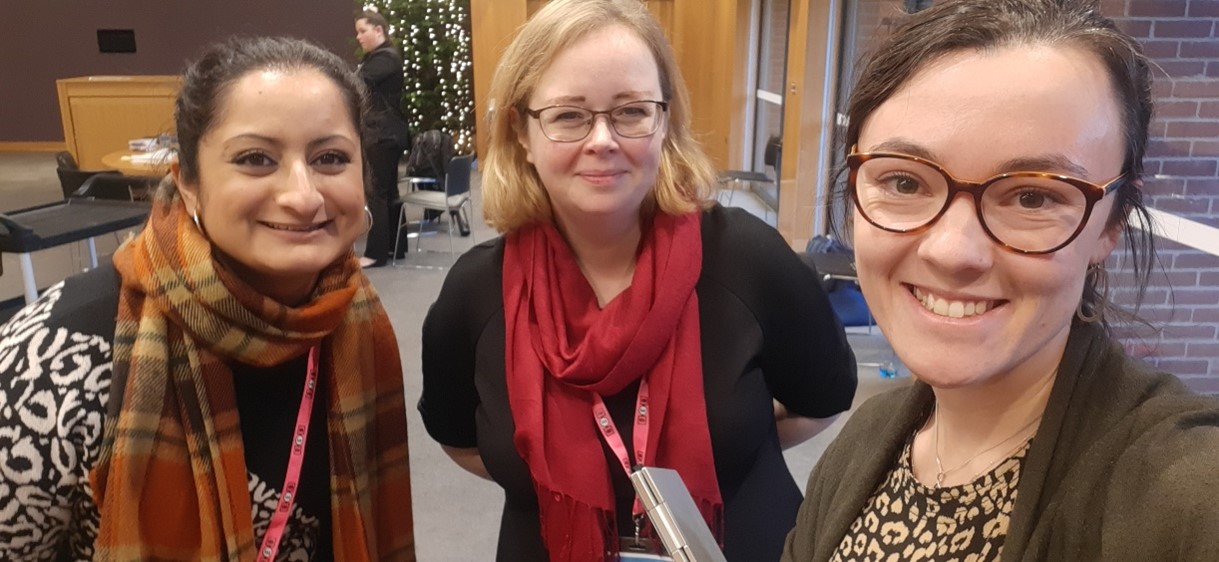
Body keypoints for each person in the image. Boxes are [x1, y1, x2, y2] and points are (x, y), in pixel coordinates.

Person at [418, 1, 857, 561]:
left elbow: (823, 396)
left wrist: (736, 436)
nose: (602, 139)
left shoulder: (749, 260)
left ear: (665, 121)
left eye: (630, 111)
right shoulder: (475, 293)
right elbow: (459, 438)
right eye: (569, 115)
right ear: (522, 133)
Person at [782, 1, 1219, 560]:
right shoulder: (865, 442)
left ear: (1112, 223)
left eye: (1033, 196)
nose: (952, 250)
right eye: (905, 182)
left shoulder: (1184, 497)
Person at [0, 37, 415, 561]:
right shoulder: (59, 355)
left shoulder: (357, 324)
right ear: (187, 183)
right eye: (256, 159)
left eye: (330, 158)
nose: (303, 195)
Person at [356, 10, 412, 268]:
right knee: (388, 191)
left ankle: (377, 253)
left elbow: (355, 83)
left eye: (363, 31)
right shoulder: (382, 57)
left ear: (378, 31)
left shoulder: (384, 59)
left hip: (382, 133)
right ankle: (396, 248)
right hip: (386, 132)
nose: (359, 37)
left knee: (377, 191)